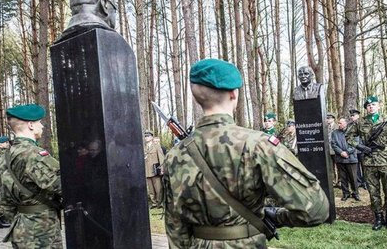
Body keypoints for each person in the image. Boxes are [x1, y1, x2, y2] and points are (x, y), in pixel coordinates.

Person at [163, 58, 329, 248]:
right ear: (234, 94)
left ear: (196, 97)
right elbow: (316, 209)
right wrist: (277, 215)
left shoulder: (175, 155)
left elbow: (175, 226)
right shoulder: (259, 145)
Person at [0, 104, 63, 248]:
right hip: (41, 230)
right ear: (31, 125)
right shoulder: (34, 154)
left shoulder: (4, 157)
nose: (42, 126)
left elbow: (5, 202)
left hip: (20, 227)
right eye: (40, 122)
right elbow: (60, 186)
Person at [346, 96, 387, 231]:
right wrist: (360, 147)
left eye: (373, 104)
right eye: (368, 105)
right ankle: (378, 218)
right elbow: (348, 137)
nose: (371, 107)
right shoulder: (360, 123)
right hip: (369, 162)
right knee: (373, 192)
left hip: (386, 161)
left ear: (378, 106)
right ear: (366, 108)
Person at [331, 118, 360, 202]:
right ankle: (345, 193)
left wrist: (347, 152)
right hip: (340, 159)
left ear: (346, 123)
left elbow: (355, 144)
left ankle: (355, 193)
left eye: (340, 123)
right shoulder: (335, 133)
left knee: (353, 178)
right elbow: (333, 144)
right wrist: (341, 152)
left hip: (351, 159)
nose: (338, 124)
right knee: (343, 178)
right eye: (338, 123)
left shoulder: (354, 132)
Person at [144, 131, 165, 209]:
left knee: (158, 188)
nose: (146, 137)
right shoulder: (144, 148)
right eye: (145, 136)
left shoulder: (156, 146)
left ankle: (160, 203)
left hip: (155, 170)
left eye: (148, 136)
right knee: (151, 189)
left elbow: (161, 158)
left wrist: (162, 169)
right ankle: (154, 203)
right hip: (147, 170)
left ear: (152, 137)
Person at [0, 136, 11, 228]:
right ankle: (4, 219)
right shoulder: (4, 153)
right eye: (7, 142)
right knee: (4, 197)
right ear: (3, 143)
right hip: (4, 177)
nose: (8, 144)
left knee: (0, 197)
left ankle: (2, 219)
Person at [349, 108, 367, 190]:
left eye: (354, 115)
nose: (352, 117)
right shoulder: (350, 125)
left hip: (362, 149)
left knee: (364, 167)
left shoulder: (363, 123)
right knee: (357, 168)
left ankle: (365, 182)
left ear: (358, 115)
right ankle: (359, 182)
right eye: (351, 116)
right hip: (354, 150)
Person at [327, 113, 339, 187]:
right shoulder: (326, 127)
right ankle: (333, 181)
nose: (327, 119)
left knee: (338, 167)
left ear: (333, 119)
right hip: (328, 150)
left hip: (336, 150)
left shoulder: (337, 127)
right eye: (327, 118)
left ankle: (340, 181)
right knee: (330, 167)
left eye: (329, 118)